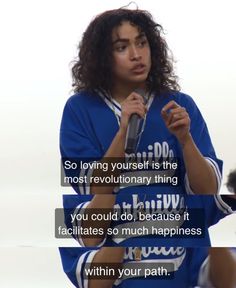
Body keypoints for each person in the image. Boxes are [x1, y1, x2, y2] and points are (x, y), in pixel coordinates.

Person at [59, 7, 234, 288]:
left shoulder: (181, 104)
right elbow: (94, 192)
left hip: (180, 253)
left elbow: (207, 190)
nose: (136, 54)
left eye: (142, 42)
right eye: (122, 47)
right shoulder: (79, 110)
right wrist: (122, 133)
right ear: (102, 57)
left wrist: (186, 140)